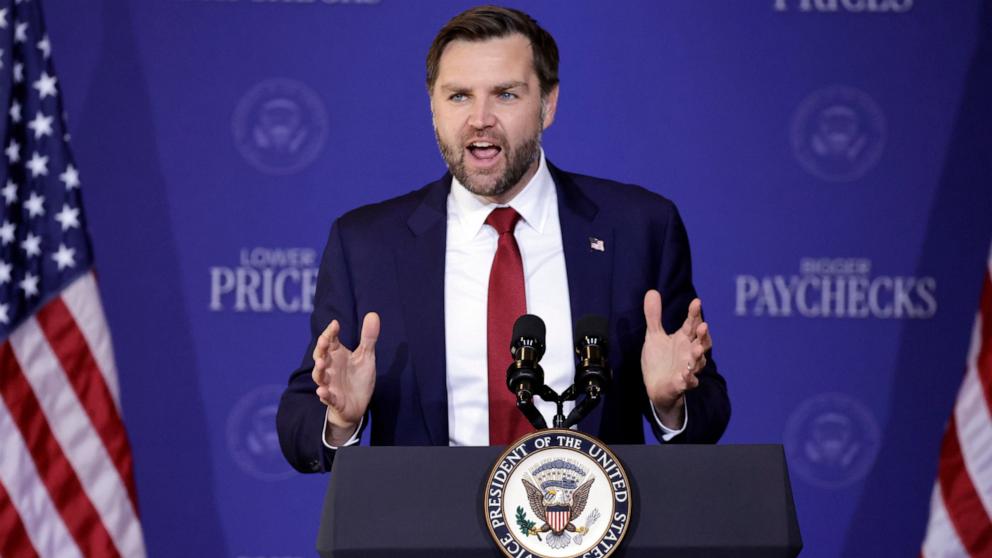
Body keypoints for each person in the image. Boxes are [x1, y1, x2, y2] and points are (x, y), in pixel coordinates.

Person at [277, 5, 730, 474]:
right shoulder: (367, 244)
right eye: (458, 96)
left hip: (587, 531)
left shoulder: (639, 228)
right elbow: (299, 426)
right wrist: (339, 418)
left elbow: (709, 409)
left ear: (548, 104)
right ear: (432, 105)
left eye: (506, 95)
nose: (480, 118)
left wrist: (670, 404)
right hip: (428, 534)